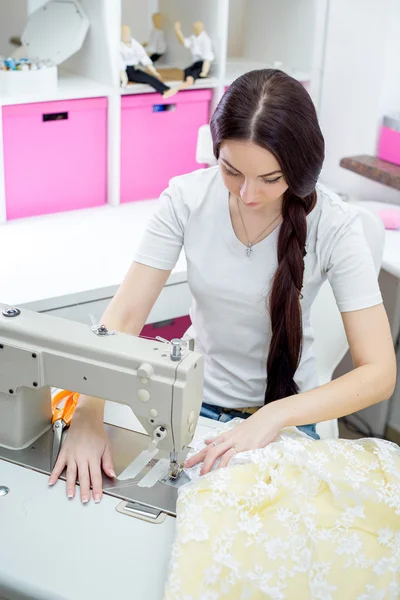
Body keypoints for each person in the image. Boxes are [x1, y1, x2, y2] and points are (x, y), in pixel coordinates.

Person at [49, 69, 396, 503]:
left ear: (301, 167)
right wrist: (87, 413)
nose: (248, 194)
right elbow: (123, 316)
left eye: (270, 179)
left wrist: (273, 417)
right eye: (232, 171)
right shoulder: (186, 199)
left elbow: (379, 372)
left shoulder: (336, 226)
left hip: (284, 413)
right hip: (189, 403)